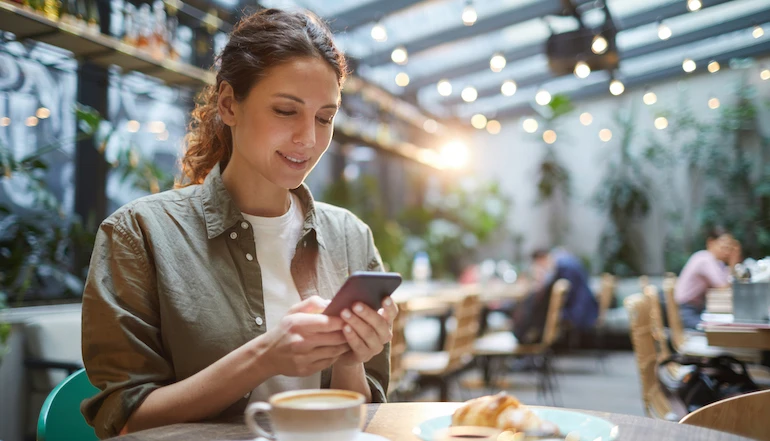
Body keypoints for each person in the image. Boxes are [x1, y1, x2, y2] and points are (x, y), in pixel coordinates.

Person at [80, 9, 397, 438]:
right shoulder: (139, 234)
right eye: (286, 111)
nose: (309, 138)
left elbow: (359, 413)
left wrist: (351, 355)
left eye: (325, 118)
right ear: (229, 104)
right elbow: (125, 420)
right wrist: (264, 356)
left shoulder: (350, 237)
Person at [512, 248, 598, 344]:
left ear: (540, 259)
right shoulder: (563, 261)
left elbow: (555, 296)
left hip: (579, 311)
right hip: (582, 306)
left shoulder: (563, 267)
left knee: (531, 307)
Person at [675, 226, 740, 329]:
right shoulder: (705, 259)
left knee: (723, 327)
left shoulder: (716, 263)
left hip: (694, 310)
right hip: (686, 312)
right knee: (717, 330)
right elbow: (723, 287)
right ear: (710, 242)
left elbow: (727, 283)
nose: (727, 252)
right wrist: (733, 262)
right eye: (724, 247)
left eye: (729, 249)